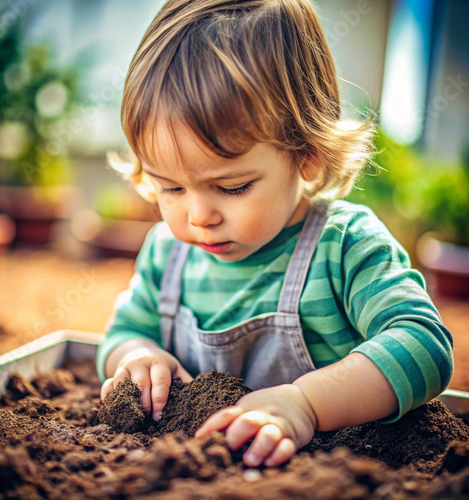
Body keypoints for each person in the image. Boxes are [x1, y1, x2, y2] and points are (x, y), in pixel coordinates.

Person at [96, 0, 453, 468]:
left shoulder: (344, 246)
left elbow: (424, 345)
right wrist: (138, 355)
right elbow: (121, 333)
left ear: (307, 153)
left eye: (233, 186)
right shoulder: (167, 253)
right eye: (171, 186)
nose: (199, 215)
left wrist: (305, 403)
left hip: (334, 470)